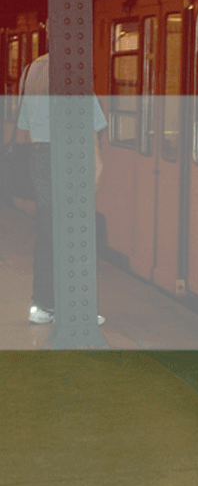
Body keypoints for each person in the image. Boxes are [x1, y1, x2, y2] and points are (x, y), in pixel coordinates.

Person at [16, 49, 107, 325]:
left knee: (47, 231)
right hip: (69, 154)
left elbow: (25, 121)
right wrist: (96, 158)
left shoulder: (32, 69)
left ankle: (43, 305)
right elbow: (86, 117)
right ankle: (77, 308)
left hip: (40, 154)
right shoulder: (71, 68)